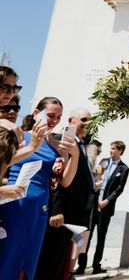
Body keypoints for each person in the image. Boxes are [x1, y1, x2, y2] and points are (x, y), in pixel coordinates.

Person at [0, 96, 79, 280]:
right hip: (14, 204)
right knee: (8, 257)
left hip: (40, 208)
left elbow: (65, 181)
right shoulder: (19, 136)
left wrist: (73, 155)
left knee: (28, 260)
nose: (54, 121)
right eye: (51, 115)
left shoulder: (56, 145)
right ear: (37, 113)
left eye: (58, 117)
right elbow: (2, 164)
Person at [35, 108, 96, 280]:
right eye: (83, 119)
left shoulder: (80, 144)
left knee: (60, 262)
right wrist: (57, 209)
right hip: (60, 215)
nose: (87, 124)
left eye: (90, 120)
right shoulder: (60, 141)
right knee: (49, 262)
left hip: (73, 216)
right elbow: (56, 178)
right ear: (70, 120)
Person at [76, 140, 129, 274]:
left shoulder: (124, 168)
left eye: (113, 149)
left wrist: (107, 201)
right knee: (87, 235)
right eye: (110, 148)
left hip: (106, 207)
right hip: (93, 205)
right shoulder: (104, 162)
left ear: (120, 151)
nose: (110, 151)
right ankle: (81, 265)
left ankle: (96, 265)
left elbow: (119, 189)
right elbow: (94, 176)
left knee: (101, 236)